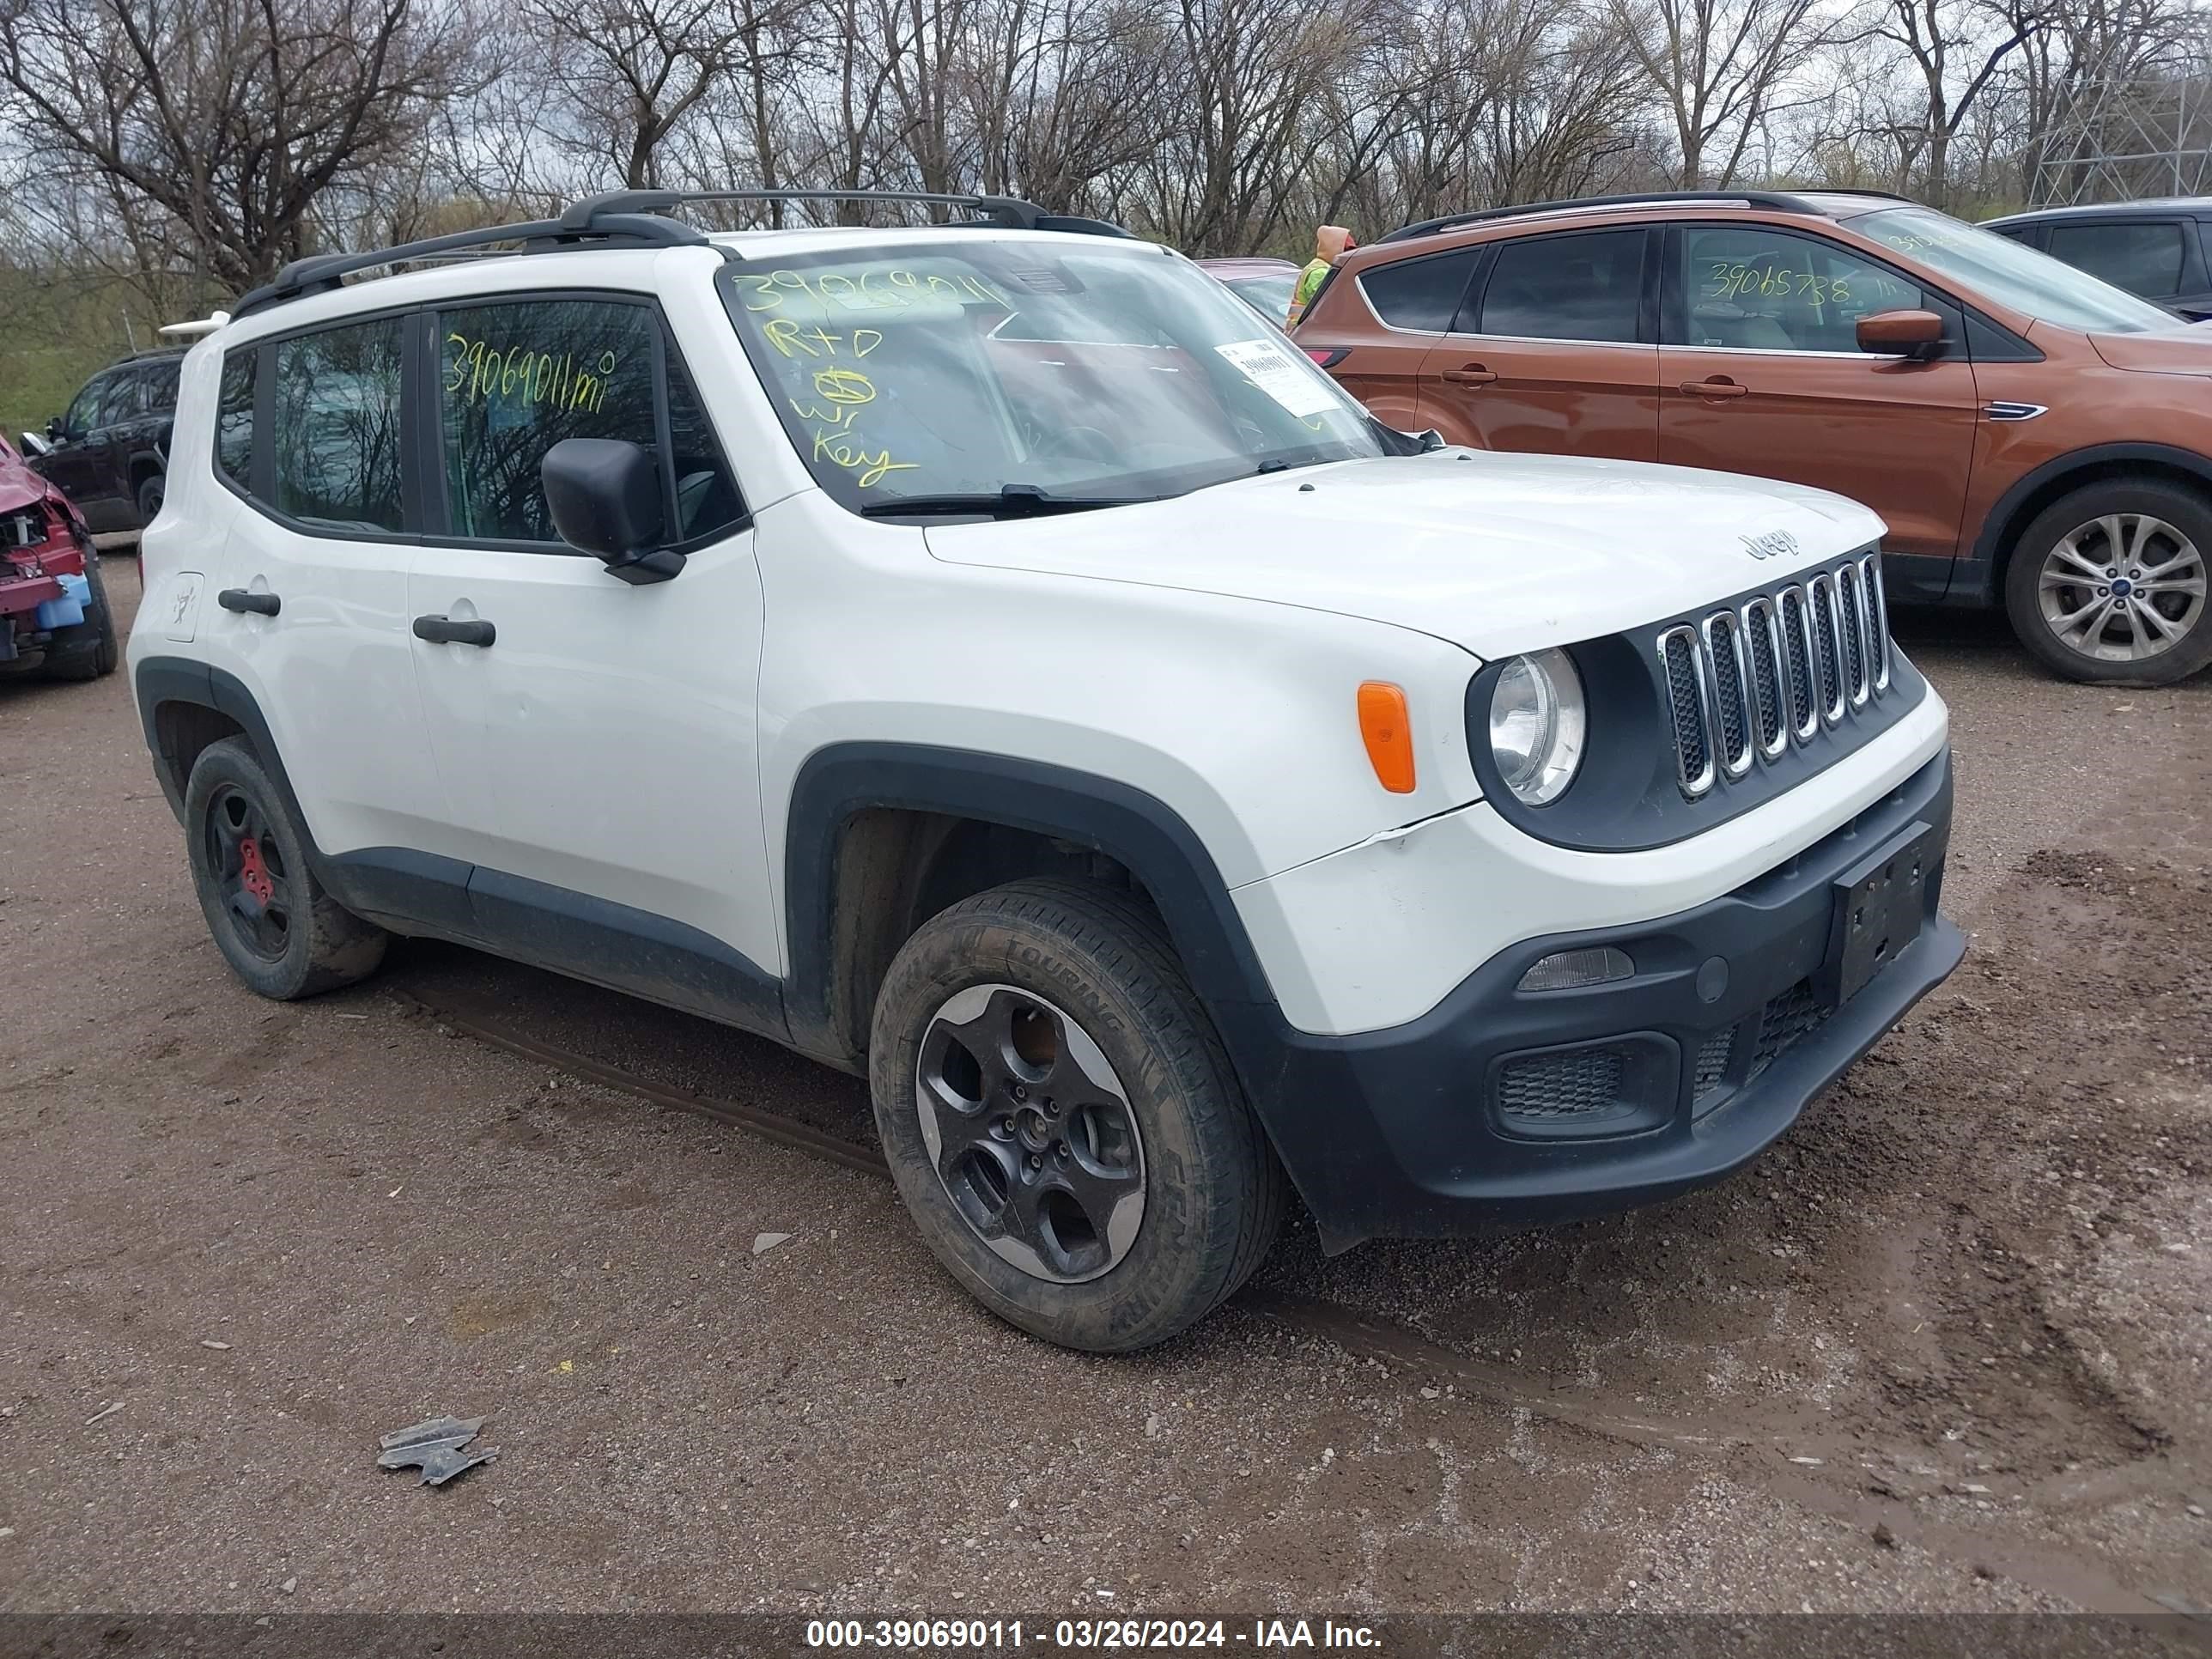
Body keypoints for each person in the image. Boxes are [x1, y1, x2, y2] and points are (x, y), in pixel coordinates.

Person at [1286, 225, 1354, 328]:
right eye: (1346, 250)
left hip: (1305, 330)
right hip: (1305, 331)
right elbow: (1327, 307)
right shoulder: (1319, 272)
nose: (1349, 254)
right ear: (1334, 249)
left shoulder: (1321, 267)